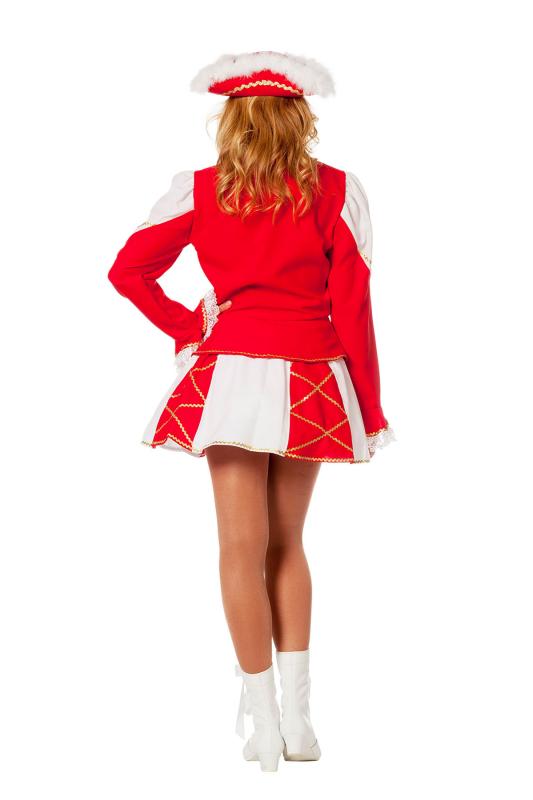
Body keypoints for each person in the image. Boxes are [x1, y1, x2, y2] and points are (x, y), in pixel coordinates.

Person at [108, 50, 394, 772]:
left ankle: (263, 728)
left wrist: (187, 325)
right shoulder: (337, 191)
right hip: (312, 377)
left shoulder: (203, 191)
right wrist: (369, 405)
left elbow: (128, 270)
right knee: (286, 544)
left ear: (230, 122)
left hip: (231, 375)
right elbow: (354, 310)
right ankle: (298, 724)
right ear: (300, 121)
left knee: (239, 547)